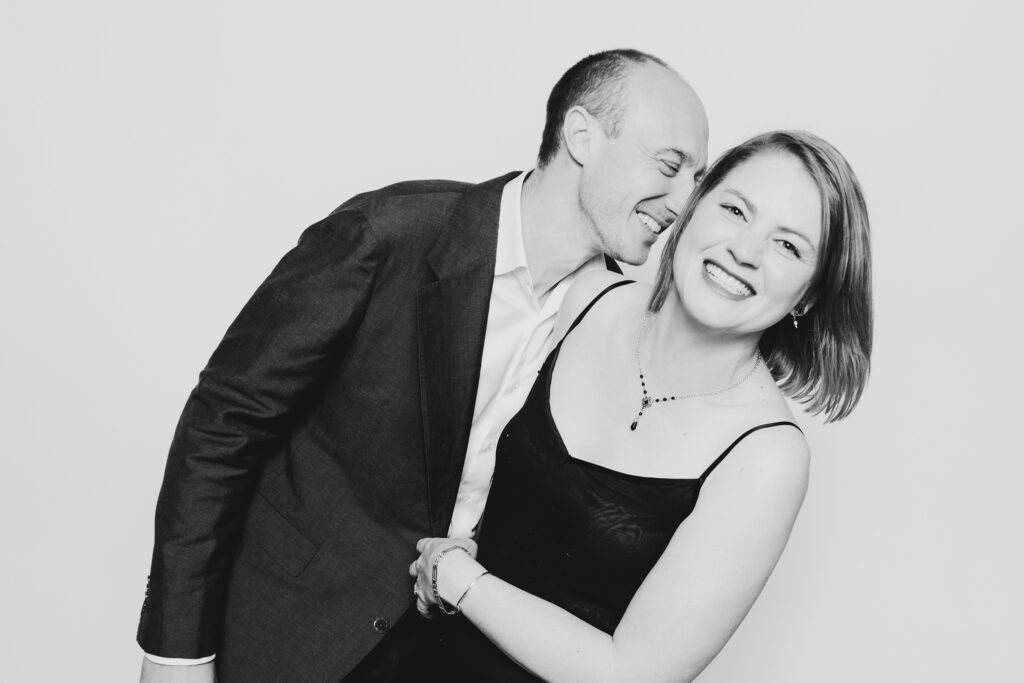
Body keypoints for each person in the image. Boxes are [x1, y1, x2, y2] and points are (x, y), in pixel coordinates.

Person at [137, 49, 709, 682]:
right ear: (581, 137)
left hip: (450, 654)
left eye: (697, 179)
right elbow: (223, 426)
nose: (684, 201)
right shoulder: (390, 233)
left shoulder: (611, 323)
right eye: (670, 165)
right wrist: (175, 653)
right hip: (283, 631)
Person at [411, 130, 872, 682]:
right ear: (693, 209)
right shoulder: (585, 295)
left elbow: (634, 674)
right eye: (734, 210)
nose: (744, 251)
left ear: (810, 295)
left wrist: (458, 578)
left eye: (788, 245)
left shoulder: (767, 456)